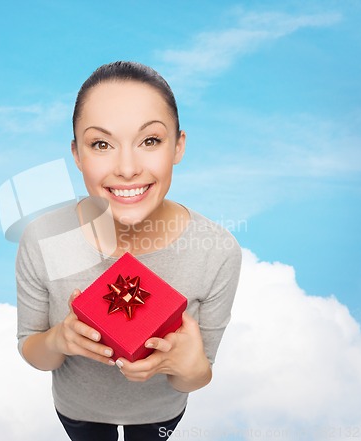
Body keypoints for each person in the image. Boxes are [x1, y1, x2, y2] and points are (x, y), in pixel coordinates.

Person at [16, 61, 241, 441]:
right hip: (77, 408)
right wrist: (60, 339)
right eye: (101, 144)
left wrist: (183, 365)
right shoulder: (43, 238)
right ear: (76, 153)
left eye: (150, 141)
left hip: (160, 412)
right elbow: (32, 349)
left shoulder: (217, 251)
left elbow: (201, 374)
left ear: (178, 146)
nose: (127, 168)